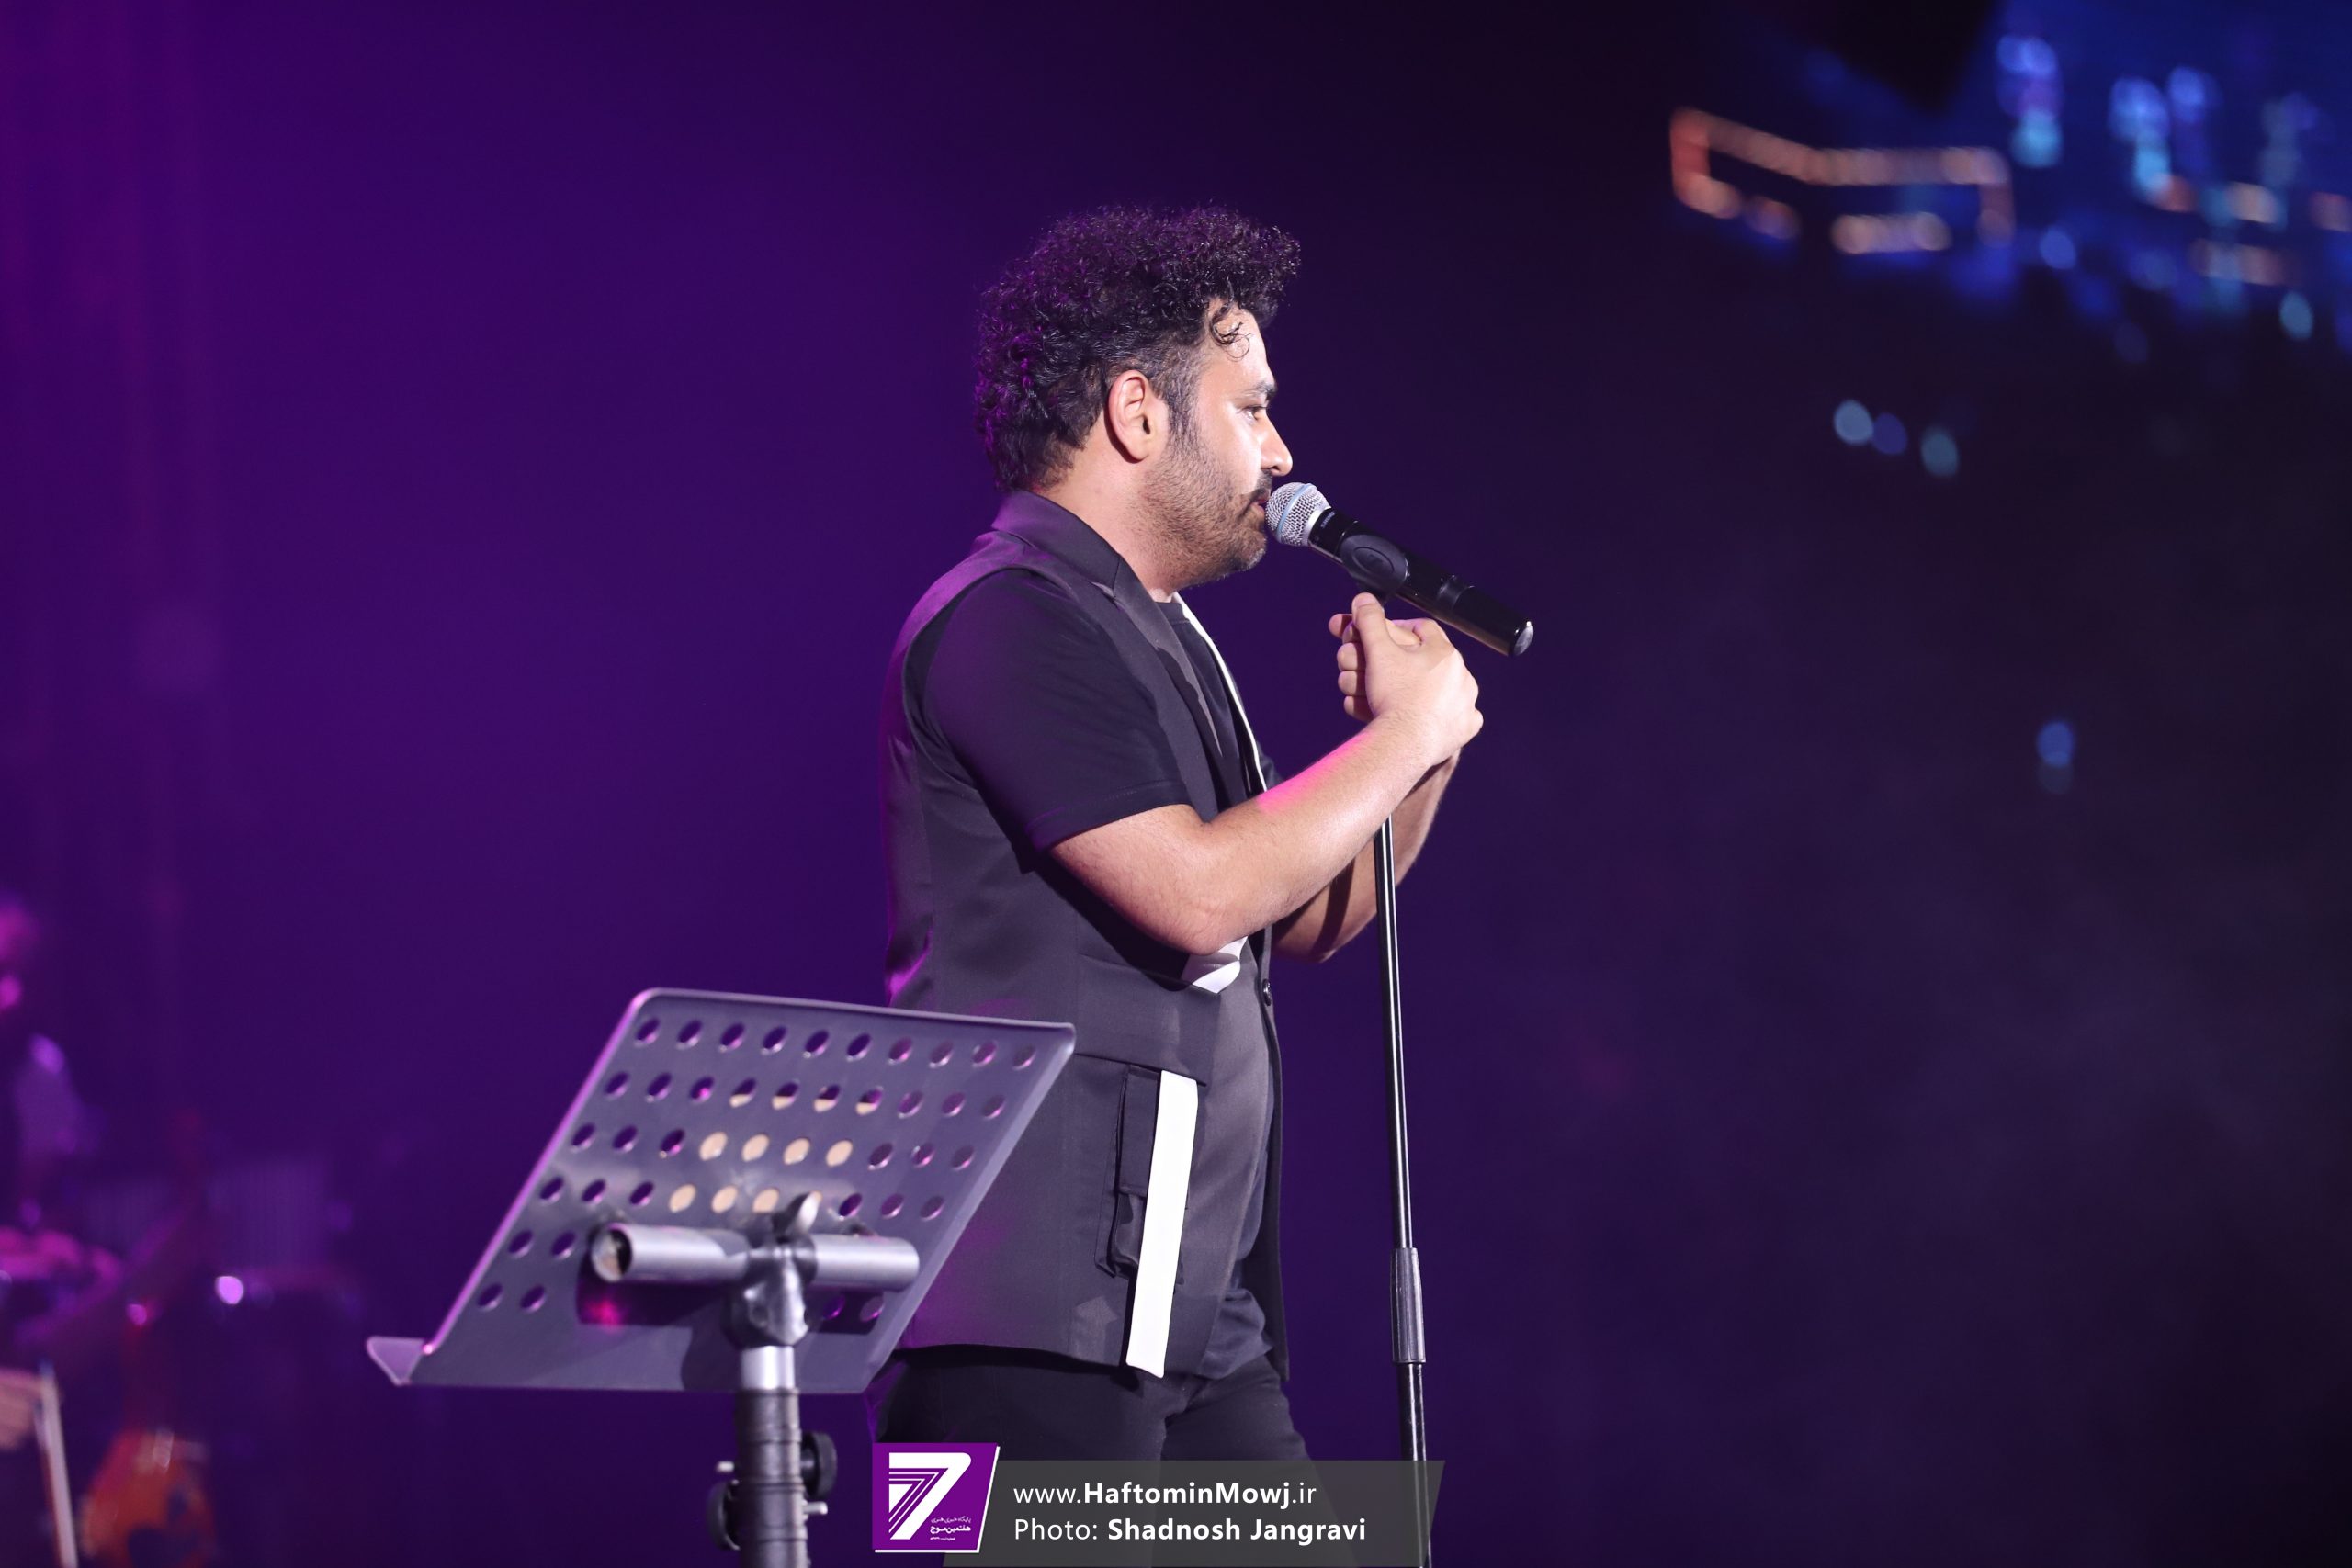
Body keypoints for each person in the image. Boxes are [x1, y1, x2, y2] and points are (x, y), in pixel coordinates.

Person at [870, 208, 1483, 1461]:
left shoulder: (1163, 635)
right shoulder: (1010, 617)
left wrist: (1425, 752)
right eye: (1251, 408)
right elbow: (1197, 894)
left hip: (1192, 1315)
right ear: (1138, 414)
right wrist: (1399, 740)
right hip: (1024, 1324)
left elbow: (1299, 922)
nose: (1283, 450)